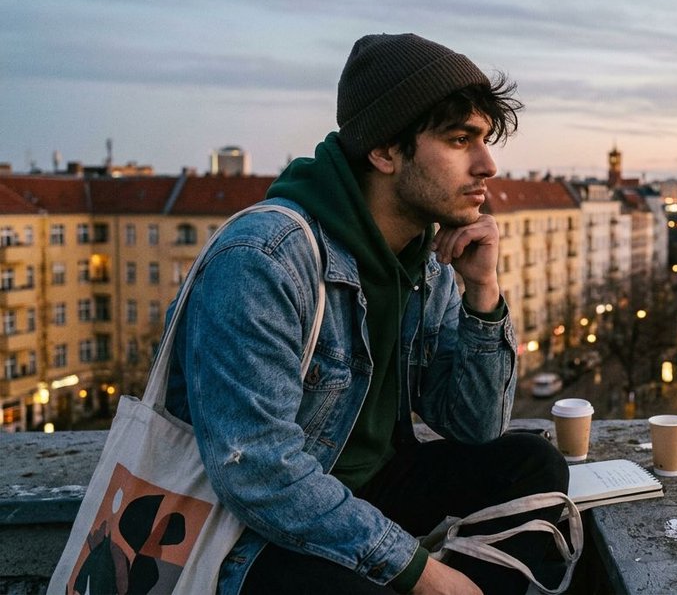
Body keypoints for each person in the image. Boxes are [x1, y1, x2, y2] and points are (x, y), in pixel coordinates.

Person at [164, 33, 568, 594]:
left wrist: (482, 291)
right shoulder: (264, 258)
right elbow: (255, 468)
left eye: (484, 141)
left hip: (370, 489)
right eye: (460, 140)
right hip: (251, 532)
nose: (488, 165)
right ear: (384, 150)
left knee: (530, 464)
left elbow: (476, 426)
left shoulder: (424, 261)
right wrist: (421, 573)